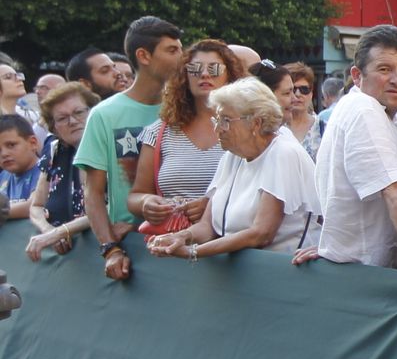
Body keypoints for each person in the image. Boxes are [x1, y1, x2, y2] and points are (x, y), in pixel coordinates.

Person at [306, 25, 397, 298]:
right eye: (385, 69)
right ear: (357, 76)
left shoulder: (384, 114)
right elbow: (393, 189)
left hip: (370, 278)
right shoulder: (364, 109)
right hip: (370, 285)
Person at [147, 78, 321, 261]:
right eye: (217, 119)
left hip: (281, 273)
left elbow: (262, 233)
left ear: (256, 123)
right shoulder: (232, 155)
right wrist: (180, 237)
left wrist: (194, 252)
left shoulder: (283, 153)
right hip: (241, 274)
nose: (217, 128)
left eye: (225, 120)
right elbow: (207, 226)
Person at [78, 17, 184, 282]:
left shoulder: (188, 110)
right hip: (133, 249)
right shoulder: (104, 114)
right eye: (172, 50)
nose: (183, 58)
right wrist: (110, 248)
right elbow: (93, 193)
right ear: (143, 56)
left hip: (182, 243)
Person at [126, 40, 242, 241]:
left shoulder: (247, 129)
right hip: (171, 247)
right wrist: (147, 203)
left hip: (231, 247)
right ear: (184, 77)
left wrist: (212, 205)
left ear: (230, 75)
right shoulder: (159, 132)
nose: (204, 74)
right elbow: (136, 195)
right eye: (195, 69)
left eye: (214, 68)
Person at [23, 84, 97, 261]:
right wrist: (47, 230)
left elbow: (111, 209)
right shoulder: (54, 151)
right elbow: (36, 205)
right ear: (54, 128)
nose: (72, 121)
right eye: (62, 118)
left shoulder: (110, 150)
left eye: (79, 112)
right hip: (67, 262)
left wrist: (60, 232)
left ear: (94, 113)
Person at [0, 114, 42, 219]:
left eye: (11, 145)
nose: (4, 154)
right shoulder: (3, 177)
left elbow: (34, 205)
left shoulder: (44, 171)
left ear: (33, 143)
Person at [280, 62, 323, 158]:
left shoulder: (323, 128)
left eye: (304, 89)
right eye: (292, 89)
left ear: (311, 93)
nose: (298, 94)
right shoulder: (273, 127)